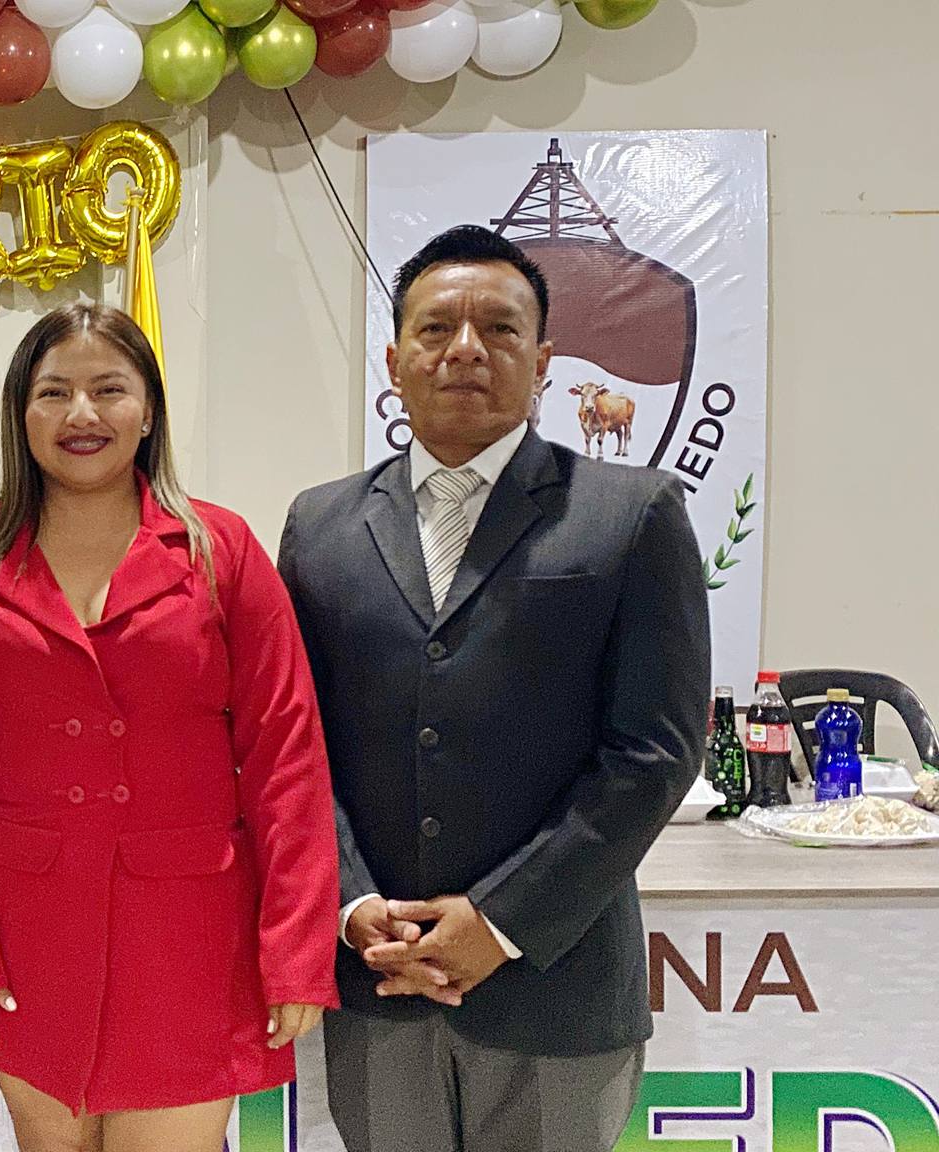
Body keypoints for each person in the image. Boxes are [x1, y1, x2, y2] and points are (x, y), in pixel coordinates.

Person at [277, 224, 711, 1152]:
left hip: (554, 986)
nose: (466, 349)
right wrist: (352, 906)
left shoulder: (631, 515)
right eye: (436, 329)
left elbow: (655, 754)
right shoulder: (319, 527)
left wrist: (502, 922)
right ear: (394, 360)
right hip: (379, 981)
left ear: (544, 361)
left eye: (500, 329)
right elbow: (296, 747)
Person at [0, 304, 340, 1152]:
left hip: (188, 938)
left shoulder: (221, 547)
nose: (81, 413)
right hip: (25, 933)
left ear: (148, 413)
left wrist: (296, 948)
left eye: (109, 390)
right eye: (53, 392)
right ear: (20, 412)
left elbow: (286, 753)